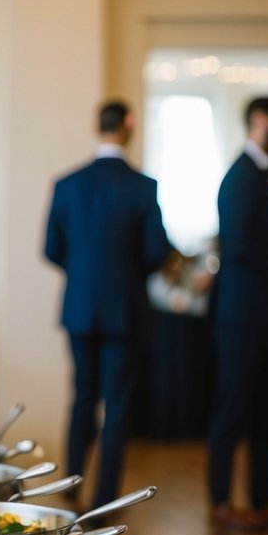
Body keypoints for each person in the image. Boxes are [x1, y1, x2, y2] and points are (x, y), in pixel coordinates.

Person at [43, 99, 173, 509]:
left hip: (79, 307)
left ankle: (71, 490)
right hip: (125, 309)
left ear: (96, 126)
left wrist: (84, 275)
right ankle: (104, 501)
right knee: (116, 405)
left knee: (82, 396)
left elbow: (51, 249)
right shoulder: (143, 186)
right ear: (129, 125)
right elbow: (156, 252)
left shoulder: (66, 183)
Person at [207, 95, 268, 529]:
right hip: (240, 314)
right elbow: (238, 248)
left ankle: (263, 499)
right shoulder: (240, 177)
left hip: (267, 313)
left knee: (267, 409)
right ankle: (219, 501)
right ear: (260, 119)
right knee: (232, 407)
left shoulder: (263, 174)